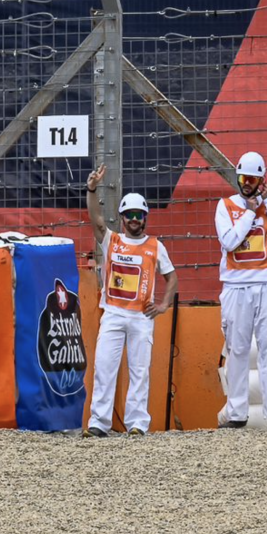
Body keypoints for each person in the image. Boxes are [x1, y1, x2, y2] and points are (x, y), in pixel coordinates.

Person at [83, 164, 178, 438]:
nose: (134, 219)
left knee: (139, 372)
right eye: (129, 215)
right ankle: (98, 424)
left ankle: (137, 424)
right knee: (104, 368)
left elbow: (172, 278)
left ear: (145, 217)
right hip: (112, 314)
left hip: (141, 317)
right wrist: (92, 189)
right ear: (122, 218)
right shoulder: (111, 240)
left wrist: (162, 306)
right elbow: (95, 219)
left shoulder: (155, 246)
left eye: (139, 215)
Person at [215, 151, 267, 430]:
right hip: (236, 286)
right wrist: (249, 212)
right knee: (236, 350)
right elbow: (230, 242)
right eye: (242, 178)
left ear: (262, 180)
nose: (247, 184)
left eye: (252, 179)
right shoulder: (225, 206)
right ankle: (237, 414)